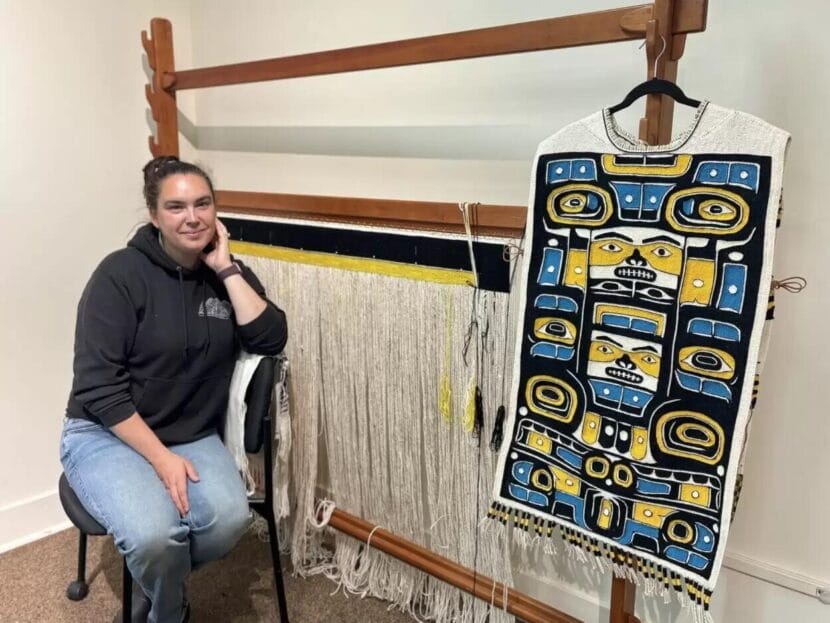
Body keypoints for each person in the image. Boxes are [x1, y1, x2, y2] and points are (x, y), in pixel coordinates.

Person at [59, 156, 288, 623]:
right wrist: (161, 460)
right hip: (105, 432)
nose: (192, 217)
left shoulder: (226, 274)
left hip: (189, 432)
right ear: (154, 215)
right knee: (154, 538)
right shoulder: (119, 276)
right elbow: (99, 387)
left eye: (203, 204)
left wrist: (225, 269)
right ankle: (170, 611)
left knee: (229, 523)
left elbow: (270, 338)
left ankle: (158, 583)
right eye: (177, 206)